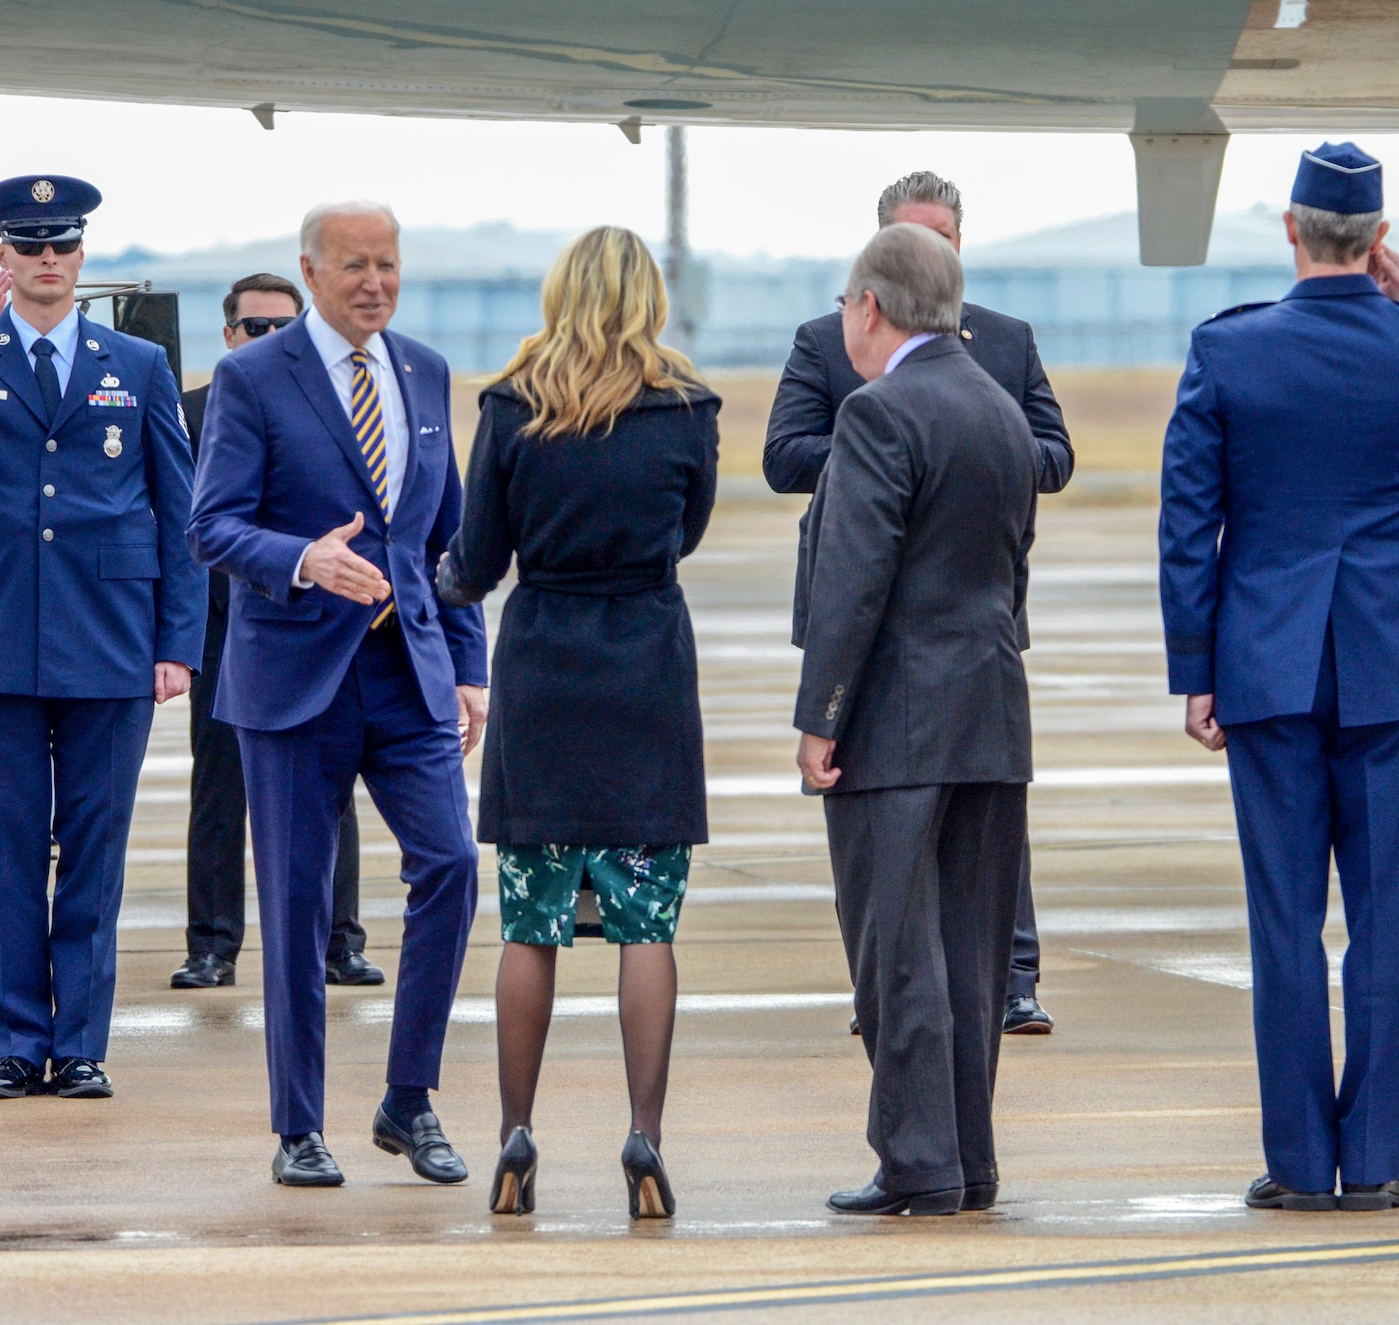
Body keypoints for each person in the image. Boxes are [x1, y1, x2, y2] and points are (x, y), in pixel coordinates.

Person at [1159, 143, 1399, 1212]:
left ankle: (1301, 1164)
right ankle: (1377, 1159)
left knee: (1282, 920)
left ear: (1290, 232)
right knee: (1381, 915)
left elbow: (1187, 519)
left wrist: (1194, 666)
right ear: (1379, 239)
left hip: (1264, 657)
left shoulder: (1229, 350)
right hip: (1394, 657)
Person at [188, 201, 488, 1188]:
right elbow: (213, 526)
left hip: (409, 674)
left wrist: (472, 666)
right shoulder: (249, 379)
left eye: (388, 264)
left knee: (449, 866)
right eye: (355, 265)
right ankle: (298, 1124)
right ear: (311, 272)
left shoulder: (426, 372)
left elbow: (447, 547)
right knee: (298, 905)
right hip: (292, 682)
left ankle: (408, 1098)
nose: (374, 282)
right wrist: (303, 560)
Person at [438, 226, 718, 1221]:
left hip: (545, 663)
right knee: (646, 922)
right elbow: (687, 530)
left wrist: (434, 581)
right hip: (644, 662)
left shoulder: (512, 407)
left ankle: (516, 1132)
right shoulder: (686, 407)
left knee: (530, 920)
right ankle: (643, 1131)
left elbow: (476, 558)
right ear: (648, 297)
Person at [0, 176, 203, 1101]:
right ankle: (13, 1042)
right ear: (0, 255)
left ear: (81, 257)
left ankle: (78, 1044)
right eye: (28, 245)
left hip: (110, 635)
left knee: (93, 848)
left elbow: (175, 509)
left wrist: (177, 642)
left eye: (61, 245)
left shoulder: (138, 364)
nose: (45, 260)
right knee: (5, 844)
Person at [767, 170, 1068, 1036]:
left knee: (984, 822)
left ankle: (1010, 976)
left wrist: (947, 448)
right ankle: (899, 993)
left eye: (944, 238)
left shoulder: (1004, 343)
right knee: (892, 837)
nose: (931, 253)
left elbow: (1054, 450)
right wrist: (896, 450)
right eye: (913, 238)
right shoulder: (828, 341)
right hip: (872, 618)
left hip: (976, 613)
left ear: (962, 246)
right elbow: (784, 454)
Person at [796, 222, 1037, 1217]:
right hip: (988, 709)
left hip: (896, 721)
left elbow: (853, 580)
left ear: (868, 306)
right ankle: (966, 1158)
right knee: (973, 956)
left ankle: (915, 1163)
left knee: (895, 951)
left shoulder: (877, 411)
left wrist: (823, 713)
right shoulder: (996, 405)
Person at [173, 273, 377, 991]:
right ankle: (212, 946)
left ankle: (340, 940)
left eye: (282, 326)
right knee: (221, 789)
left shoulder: (341, 405)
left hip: (319, 627)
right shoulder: (188, 412)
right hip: (225, 627)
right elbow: (176, 527)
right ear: (228, 336)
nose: (267, 339)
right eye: (254, 328)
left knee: (330, 787)